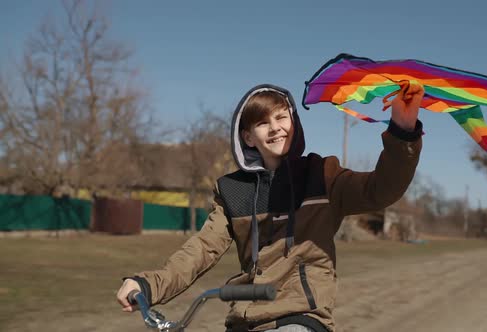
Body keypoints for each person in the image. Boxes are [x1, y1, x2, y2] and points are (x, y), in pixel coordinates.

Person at [117, 83, 424, 332]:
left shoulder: (322, 175)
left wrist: (403, 129)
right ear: (248, 137)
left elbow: (381, 189)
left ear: (294, 122)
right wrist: (147, 284)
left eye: (281, 118)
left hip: (300, 316)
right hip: (244, 317)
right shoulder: (233, 190)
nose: (275, 128)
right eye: (263, 123)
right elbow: (201, 249)